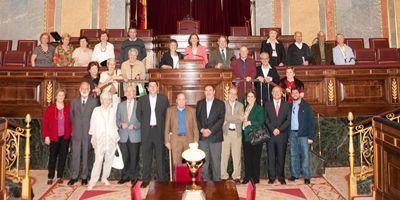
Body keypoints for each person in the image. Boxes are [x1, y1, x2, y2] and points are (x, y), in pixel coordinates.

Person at [136, 82, 170, 188]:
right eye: (150, 86)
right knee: (146, 157)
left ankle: (161, 179)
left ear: (157, 88)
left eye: (154, 86)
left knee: (160, 157)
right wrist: (146, 123)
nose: (152, 88)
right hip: (147, 131)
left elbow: (167, 115)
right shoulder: (142, 100)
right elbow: (138, 114)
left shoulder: (163, 99)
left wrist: (167, 130)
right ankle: (146, 179)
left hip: (159, 131)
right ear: (148, 89)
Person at [88, 91, 120, 190]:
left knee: (109, 160)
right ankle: (92, 181)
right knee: (98, 161)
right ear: (101, 100)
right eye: (104, 99)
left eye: (108, 99)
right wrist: (93, 138)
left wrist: (115, 138)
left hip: (110, 139)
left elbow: (116, 124)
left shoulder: (113, 110)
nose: (106, 101)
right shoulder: (96, 110)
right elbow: (92, 125)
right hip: (99, 139)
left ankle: (104, 177)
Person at [68, 82, 98, 186]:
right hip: (76, 133)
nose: (84, 90)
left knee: (86, 155)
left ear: (89, 90)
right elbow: (71, 116)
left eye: (86, 88)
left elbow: (95, 118)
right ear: (79, 89)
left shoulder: (94, 102)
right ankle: (74, 176)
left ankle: (84, 177)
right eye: (82, 88)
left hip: (88, 133)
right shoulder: (74, 101)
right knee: (75, 155)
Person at [196, 85, 225, 181]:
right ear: (204, 92)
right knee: (204, 163)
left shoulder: (220, 104)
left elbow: (221, 120)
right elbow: (197, 119)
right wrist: (202, 130)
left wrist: (210, 130)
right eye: (206, 90)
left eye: (210, 90)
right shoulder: (200, 103)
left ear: (214, 92)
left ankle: (217, 184)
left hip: (215, 137)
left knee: (216, 163)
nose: (208, 92)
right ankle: (205, 183)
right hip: (203, 138)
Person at [42, 88, 71, 185]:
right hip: (53, 137)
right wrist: (46, 136)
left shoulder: (67, 108)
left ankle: (59, 176)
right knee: (53, 157)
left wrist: (70, 134)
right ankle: (50, 176)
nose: (61, 97)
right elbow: (45, 123)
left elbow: (71, 122)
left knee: (62, 157)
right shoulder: (50, 109)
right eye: (59, 95)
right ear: (55, 96)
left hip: (65, 137)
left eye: (62, 95)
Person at [288, 87, 315, 185]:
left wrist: (311, 137)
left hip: (303, 134)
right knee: (293, 155)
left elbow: (312, 122)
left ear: (300, 94)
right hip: (292, 133)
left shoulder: (306, 106)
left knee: (305, 156)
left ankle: (306, 176)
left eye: (296, 92)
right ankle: (295, 175)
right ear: (291, 95)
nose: (295, 94)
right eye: (293, 93)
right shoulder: (290, 106)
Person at [164, 93, 199, 167]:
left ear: (186, 101)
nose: (181, 101)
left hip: (189, 140)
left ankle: (188, 178)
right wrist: (167, 141)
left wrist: (196, 140)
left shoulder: (192, 111)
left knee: (189, 163)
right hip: (175, 140)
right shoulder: (170, 110)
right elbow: (167, 126)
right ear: (176, 100)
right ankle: (177, 178)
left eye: (183, 99)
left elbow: (195, 127)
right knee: (176, 164)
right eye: (179, 99)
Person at [265, 86, 291, 185]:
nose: (276, 93)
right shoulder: (267, 104)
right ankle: (271, 177)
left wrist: (279, 129)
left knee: (281, 157)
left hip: (282, 135)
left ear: (282, 94)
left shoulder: (287, 105)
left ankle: (281, 177)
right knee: (271, 157)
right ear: (272, 94)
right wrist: (273, 129)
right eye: (274, 91)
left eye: (278, 91)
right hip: (271, 135)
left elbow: (288, 120)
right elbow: (266, 119)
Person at [116, 85, 141, 184]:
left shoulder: (139, 105)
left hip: (135, 135)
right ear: (125, 93)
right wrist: (121, 124)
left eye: (132, 91)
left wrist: (135, 126)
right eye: (128, 91)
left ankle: (134, 177)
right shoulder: (120, 105)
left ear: (134, 93)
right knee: (125, 157)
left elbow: (143, 119)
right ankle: (125, 176)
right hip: (123, 136)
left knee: (134, 157)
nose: (130, 93)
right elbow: (116, 120)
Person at [220, 87, 243, 183]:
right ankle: (223, 176)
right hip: (226, 133)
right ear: (228, 94)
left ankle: (236, 176)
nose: (233, 95)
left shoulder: (240, 105)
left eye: (235, 94)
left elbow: (241, 118)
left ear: (237, 96)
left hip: (237, 133)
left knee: (236, 155)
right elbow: (223, 117)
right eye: (231, 93)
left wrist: (228, 119)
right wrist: (236, 117)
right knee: (224, 155)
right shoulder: (223, 105)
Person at [242, 90, 265, 184]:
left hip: (255, 136)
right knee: (247, 158)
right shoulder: (244, 108)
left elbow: (261, 122)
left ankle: (255, 178)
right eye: (248, 96)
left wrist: (250, 122)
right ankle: (247, 177)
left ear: (255, 99)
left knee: (255, 158)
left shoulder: (259, 109)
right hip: (245, 136)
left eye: (252, 97)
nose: (250, 98)